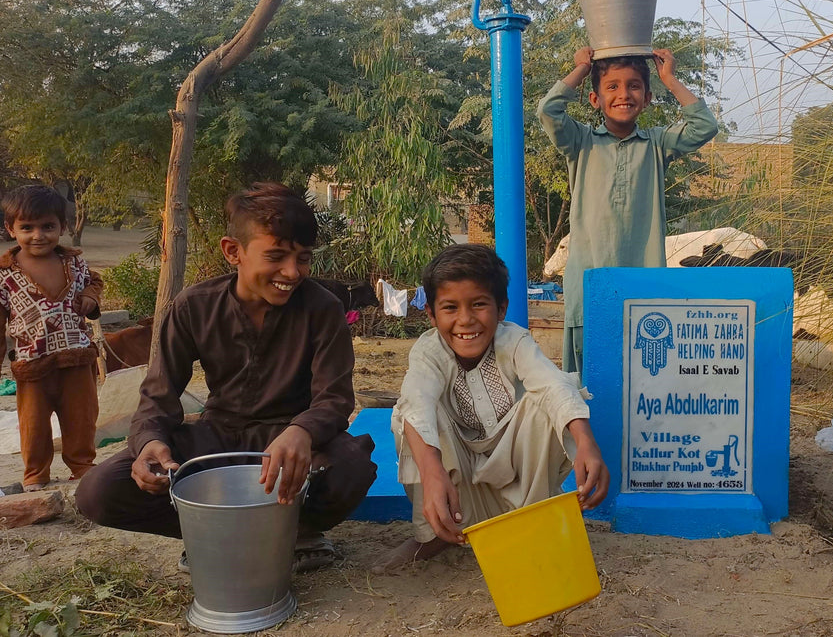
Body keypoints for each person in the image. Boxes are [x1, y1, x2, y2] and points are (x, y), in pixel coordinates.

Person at [76, 182, 376, 573]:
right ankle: (209, 533)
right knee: (99, 491)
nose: (292, 272)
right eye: (276, 256)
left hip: (289, 443)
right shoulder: (193, 307)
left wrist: (302, 431)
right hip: (217, 437)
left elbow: (334, 399)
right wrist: (149, 442)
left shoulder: (323, 308)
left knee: (352, 465)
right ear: (233, 251)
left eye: (303, 258)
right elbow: (159, 395)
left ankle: (297, 534)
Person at [375, 243, 609, 572]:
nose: (465, 320)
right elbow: (418, 404)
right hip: (459, 488)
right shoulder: (428, 352)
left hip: (517, 482)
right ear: (431, 314)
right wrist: (432, 475)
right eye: (450, 308)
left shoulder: (514, 341)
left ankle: (531, 524)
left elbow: (552, 386)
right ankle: (433, 535)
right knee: (409, 414)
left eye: (479, 305)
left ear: (501, 309)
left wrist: (585, 442)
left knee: (550, 398)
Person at [537, 47, 718, 373]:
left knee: (642, 374)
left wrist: (670, 79)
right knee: (588, 378)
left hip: (642, 284)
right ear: (595, 99)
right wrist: (580, 68)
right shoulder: (581, 142)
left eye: (634, 86)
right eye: (612, 87)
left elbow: (704, 126)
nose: (624, 94)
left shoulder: (657, 144)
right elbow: (549, 111)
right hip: (589, 282)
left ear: (647, 98)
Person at [0, 185, 102, 492]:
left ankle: (82, 466)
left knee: (81, 416)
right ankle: (35, 474)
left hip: (77, 356)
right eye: (27, 228)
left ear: (63, 227)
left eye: (48, 227)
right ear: (10, 229)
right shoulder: (5, 275)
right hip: (33, 363)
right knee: (33, 422)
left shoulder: (74, 263)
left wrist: (90, 298)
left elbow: (94, 282)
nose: (38, 235)